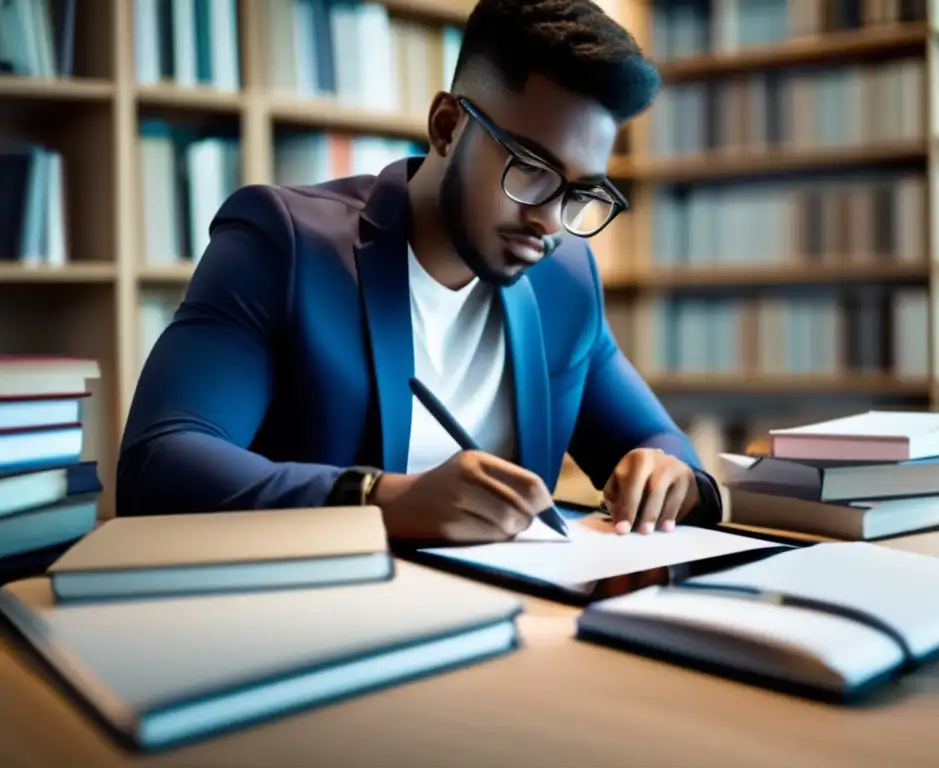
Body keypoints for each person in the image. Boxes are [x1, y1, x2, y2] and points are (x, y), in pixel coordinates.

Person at [117, 0, 723, 542]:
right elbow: (159, 463)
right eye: (531, 170)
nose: (551, 222)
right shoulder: (286, 242)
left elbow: (658, 443)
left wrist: (671, 476)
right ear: (446, 126)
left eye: (580, 194)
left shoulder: (564, 279)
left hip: (512, 628)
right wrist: (382, 500)